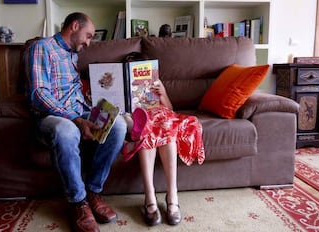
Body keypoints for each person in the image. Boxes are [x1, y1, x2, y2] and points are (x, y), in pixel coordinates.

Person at [25, 12, 127, 232]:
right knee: (66, 130)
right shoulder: (41, 48)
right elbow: (38, 94)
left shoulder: (73, 54)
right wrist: (75, 118)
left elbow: (75, 93)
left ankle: (93, 191)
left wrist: (97, 108)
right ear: (74, 26)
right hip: (51, 118)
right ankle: (78, 202)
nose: (89, 43)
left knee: (118, 125)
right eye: (88, 36)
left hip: (80, 111)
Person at [120, 52, 205, 226]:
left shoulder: (156, 82)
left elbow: (171, 109)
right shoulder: (121, 83)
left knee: (166, 125)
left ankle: (172, 194)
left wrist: (163, 93)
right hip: (139, 116)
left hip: (161, 116)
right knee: (143, 126)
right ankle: (149, 195)